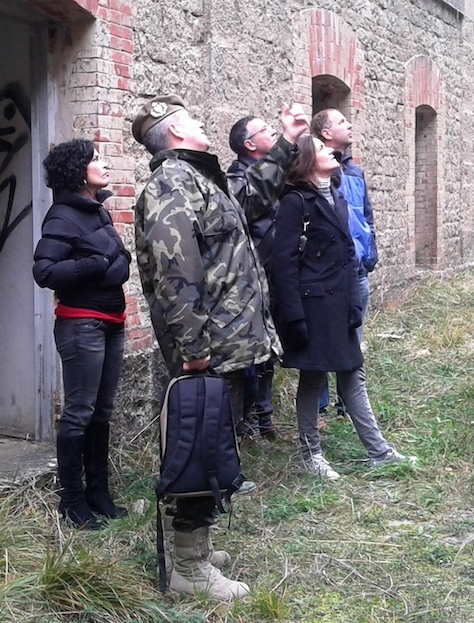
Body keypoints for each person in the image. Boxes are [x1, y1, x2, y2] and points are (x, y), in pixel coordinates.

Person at [133, 94, 307, 600]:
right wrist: (193, 347)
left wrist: (289, 139)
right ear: (174, 133)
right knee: (198, 451)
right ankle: (187, 567)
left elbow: (254, 193)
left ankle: (196, 543)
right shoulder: (170, 185)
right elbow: (174, 274)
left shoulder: (201, 180)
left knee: (213, 446)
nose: (201, 121)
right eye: (192, 118)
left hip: (227, 346)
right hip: (208, 349)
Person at [269, 135, 415, 480]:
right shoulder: (294, 202)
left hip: (340, 304)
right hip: (312, 307)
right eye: (321, 149)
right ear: (306, 161)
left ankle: (379, 451)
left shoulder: (336, 196)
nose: (332, 152)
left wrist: (354, 304)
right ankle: (311, 454)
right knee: (313, 375)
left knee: (353, 373)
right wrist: (292, 316)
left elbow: (349, 256)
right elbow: (283, 264)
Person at [32, 139, 131, 529]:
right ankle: (72, 502)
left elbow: (122, 263)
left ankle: (99, 494)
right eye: (95, 160)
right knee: (78, 414)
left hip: (112, 322)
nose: (104, 164)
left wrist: (107, 262)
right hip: (81, 324)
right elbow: (44, 272)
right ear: (78, 171)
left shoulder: (99, 212)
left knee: (101, 413)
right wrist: (97, 263)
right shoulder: (62, 217)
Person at [226, 115, 291, 445]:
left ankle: (264, 417)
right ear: (249, 144)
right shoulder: (238, 180)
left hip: (277, 276)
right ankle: (247, 422)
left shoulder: (278, 174)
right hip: (253, 281)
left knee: (270, 353)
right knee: (252, 357)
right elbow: (253, 208)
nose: (273, 133)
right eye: (266, 130)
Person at [312, 108, 378, 425]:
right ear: (325, 133)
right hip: (329, 275)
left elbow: (366, 217)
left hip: (357, 271)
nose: (349, 124)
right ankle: (320, 408)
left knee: (354, 337)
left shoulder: (355, 172)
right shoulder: (315, 172)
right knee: (324, 339)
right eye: (340, 122)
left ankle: (347, 405)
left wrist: (370, 253)